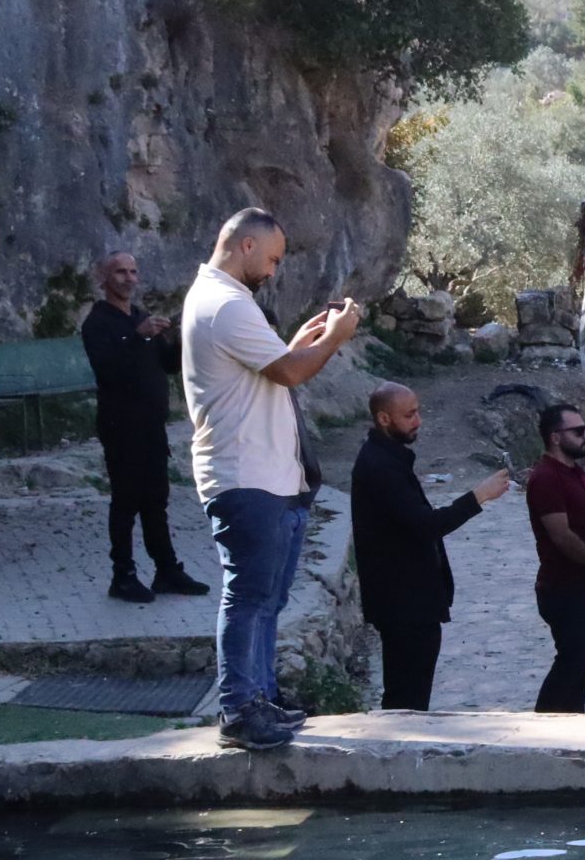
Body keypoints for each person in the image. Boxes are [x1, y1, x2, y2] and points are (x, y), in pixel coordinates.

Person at [180, 208, 365, 752]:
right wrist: (334, 338)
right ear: (245, 246)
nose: (274, 270)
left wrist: (307, 337)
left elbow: (275, 361)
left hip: (267, 476)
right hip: (245, 476)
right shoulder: (224, 304)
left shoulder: (227, 303)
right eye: (274, 258)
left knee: (267, 598)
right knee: (248, 596)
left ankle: (259, 697)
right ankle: (238, 708)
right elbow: (289, 372)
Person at [349, 383, 511, 711]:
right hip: (403, 603)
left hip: (410, 600)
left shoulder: (389, 458)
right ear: (383, 418)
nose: (418, 421)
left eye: (418, 411)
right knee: (406, 698)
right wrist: (479, 495)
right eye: (409, 415)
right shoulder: (380, 466)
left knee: (411, 693)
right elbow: (427, 526)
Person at [82, 252, 206, 604]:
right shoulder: (98, 323)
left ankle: (166, 570)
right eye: (120, 272)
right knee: (126, 502)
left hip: (152, 427)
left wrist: (181, 337)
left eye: (133, 271)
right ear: (104, 278)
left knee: (156, 501)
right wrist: (137, 337)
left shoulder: (140, 317)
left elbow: (166, 365)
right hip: (120, 426)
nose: (128, 278)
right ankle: (122, 576)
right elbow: (107, 370)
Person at [526, 402, 585, 714]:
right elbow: (561, 535)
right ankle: (543, 726)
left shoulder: (578, 473)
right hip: (565, 587)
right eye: (578, 431)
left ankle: (572, 727)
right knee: (572, 660)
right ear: (555, 437)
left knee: (584, 661)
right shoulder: (546, 477)